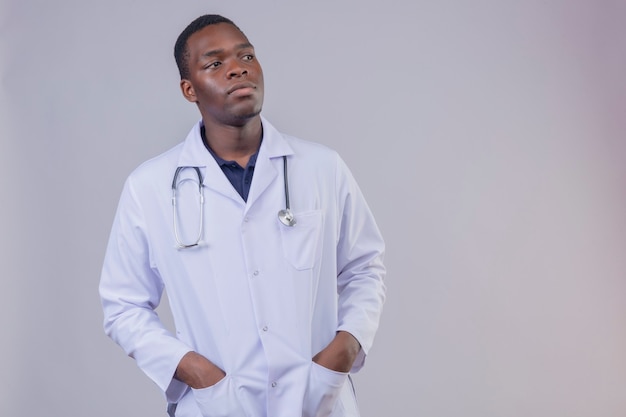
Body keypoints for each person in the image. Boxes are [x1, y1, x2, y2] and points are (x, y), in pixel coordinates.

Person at [99, 14, 386, 417]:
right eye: (215, 63)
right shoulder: (149, 187)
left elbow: (365, 268)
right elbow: (122, 304)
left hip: (318, 400)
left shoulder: (322, 168)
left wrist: (343, 350)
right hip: (217, 404)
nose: (238, 68)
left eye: (246, 55)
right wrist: (195, 371)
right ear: (189, 89)